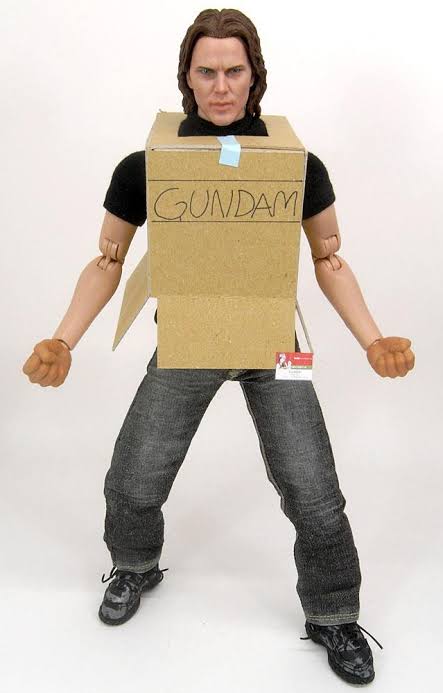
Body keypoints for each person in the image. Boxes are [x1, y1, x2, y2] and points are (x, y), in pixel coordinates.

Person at [22, 8, 414, 686]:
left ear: (255, 75)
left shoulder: (296, 166)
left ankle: (333, 614)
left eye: (234, 70)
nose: (221, 86)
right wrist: (63, 338)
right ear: (187, 77)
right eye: (206, 71)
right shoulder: (147, 167)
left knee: (314, 489)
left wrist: (372, 338)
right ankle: (134, 565)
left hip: (276, 342)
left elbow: (329, 257)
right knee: (134, 475)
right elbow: (109, 259)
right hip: (190, 336)